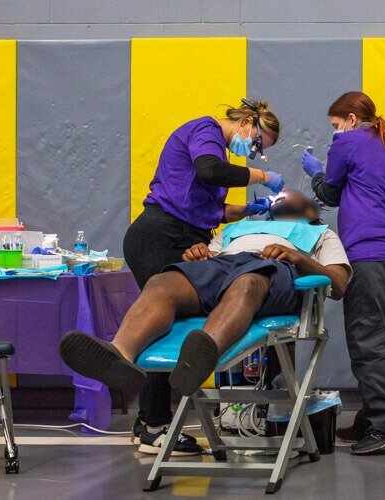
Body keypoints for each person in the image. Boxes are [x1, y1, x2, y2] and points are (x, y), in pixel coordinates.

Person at [60, 189, 352, 429]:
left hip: (275, 270)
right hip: (221, 265)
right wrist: (198, 253)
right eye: (280, 196)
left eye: (293, 196)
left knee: (248, 282)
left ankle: (203, 354)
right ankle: (120, 355)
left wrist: (298, 257)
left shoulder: (323, 235)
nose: (283, 197)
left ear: (311, 210)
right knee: (163, 281)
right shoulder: (238, 229)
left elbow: (338, 283)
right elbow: (210, 257)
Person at [117, 99, 284, 455]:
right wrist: (264, 177)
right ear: (247, 122)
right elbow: (209, 170)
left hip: (186, 237)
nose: (252, 153)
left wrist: (256, 211)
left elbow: (212, 209)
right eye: (256, 144)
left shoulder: (217, 153)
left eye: (259, 154)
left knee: (171, 320)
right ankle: (153, 424)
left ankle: (147, 422)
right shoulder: (205, 131)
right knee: (161, 319)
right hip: (159, 235)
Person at [301, 91, 385, 455]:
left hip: (370, 253)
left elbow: (330, 194)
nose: (334, 131)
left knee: (367, 339)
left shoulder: (347, 143)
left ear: (351, 120)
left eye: (335, 124)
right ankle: (372, 418)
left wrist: (316, 171)